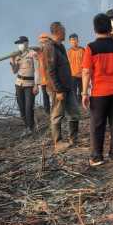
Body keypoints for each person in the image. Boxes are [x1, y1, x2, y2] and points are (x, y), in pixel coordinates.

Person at [82, 13, 113, 166]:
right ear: (109, 28)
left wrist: (84, 93)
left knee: (97, 124)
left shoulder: (91, 48)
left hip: (99, 93)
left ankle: (97, 157)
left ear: (95, 29)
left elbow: (86, 71)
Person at [44, 21, 80, 152]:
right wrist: (58, 89)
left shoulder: (61, 47)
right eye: (63, 30)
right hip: (58, 89)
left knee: (75, 113)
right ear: (58, 31)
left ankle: (73, 139)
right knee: (57, 115)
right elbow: (51, 71)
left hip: (68, 87)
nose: (65, 32)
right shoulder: (49, 47)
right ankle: (58, 143)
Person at [10, 36, 39, 135]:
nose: (20, 45)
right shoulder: (17, 55)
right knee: (21, 107)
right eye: (18, 44)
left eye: (21, 43)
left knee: (28, 107)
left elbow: (37, 70)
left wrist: (36, 85)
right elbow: (14, 71)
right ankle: (27, 126)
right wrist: (13, 61)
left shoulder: (33, 54)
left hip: (29, 84)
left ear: (26, 43)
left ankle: (31, 127)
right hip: (19, 83)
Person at [67, 33, 85, 102]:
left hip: (82, 75)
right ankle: (75, 107)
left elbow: (85, 63)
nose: (74, 41)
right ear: (70, 42)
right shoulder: (69, 52)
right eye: (72, 40)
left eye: (75, 40)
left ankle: (81, 106)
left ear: (78, 40)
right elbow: (67, 64)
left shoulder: (82, 50)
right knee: (73, 92)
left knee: (82, 91)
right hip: (72, 75)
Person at [37, 33, 52, 114]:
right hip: (43, 79)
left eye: (45, 42)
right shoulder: (39, 53)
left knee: (54, 95)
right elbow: (38, 67)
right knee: (45, 96)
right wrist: (37, 82)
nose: (43, 44)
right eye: (41, 42)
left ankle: (57, 112)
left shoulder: (52, 51)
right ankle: (47, 113)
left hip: (51, 78)